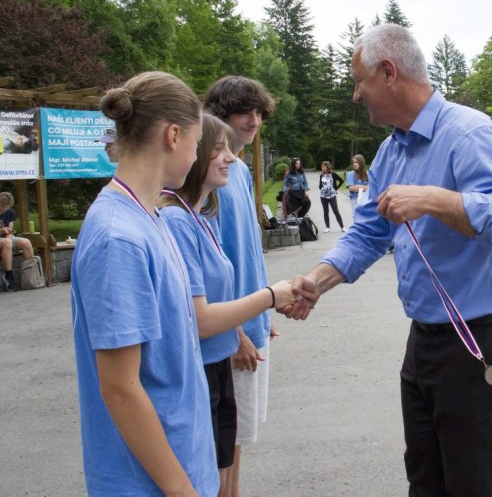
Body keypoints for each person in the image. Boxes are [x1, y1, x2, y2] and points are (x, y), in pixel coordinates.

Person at [282, 24, 492, 496]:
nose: (355, 95)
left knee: (470, 484)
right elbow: (367, 231)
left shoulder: (469, 134)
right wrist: (315, 282)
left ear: (388, 72)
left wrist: (436, 200)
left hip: (480, 338)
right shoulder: (392, 150)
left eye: (359, 81)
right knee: (424, 479)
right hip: (425, 340)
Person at [70, 71, 219, 495]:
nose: (196, 157)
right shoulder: (118, 236)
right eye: (196, 143)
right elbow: (120, 387)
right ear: (173, 135)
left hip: (180, 463)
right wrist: (182, 489)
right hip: (147, 482)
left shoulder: (147, 216)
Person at [159, 114, 311, 495]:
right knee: (209, 467)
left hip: (216, 364)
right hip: (203, 368)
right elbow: (200, 317)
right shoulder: (178, 220)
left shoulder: (200, 217)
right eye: (217, 150)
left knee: (225, 456)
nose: (230, 158)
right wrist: (270, 298)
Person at [203, 75, 277, 496]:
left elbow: (248, 248)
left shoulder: (241, 168)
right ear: (219, 115)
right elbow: (207, 265)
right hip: (228, 331)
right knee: (220, 444)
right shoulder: (211, 173)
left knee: (239, 435)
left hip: (251, 322)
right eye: (244, 112)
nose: (253, 120)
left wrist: (262, 312)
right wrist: (233, 333)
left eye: (259, 113)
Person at [0, 191, 34, 292]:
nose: (5, 210)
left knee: (26, 242)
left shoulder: (10, 212)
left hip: (6, 239)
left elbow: (10, 231)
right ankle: (8, 275)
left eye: (7, 207)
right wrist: (0, 231)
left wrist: (8, 237)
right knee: (7, 243)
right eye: (3, 207)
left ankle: (31, 273)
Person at [319, 160, 345, 232]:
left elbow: (341, 181)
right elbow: (320, 185)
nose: (322, 168)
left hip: (332, 195)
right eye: (322, 167)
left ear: (327, 167)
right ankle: (327, 227)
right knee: (325, 211)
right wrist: (322, 189)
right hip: (323, 196)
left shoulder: (333, 174)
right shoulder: (321, 175)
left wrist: (335, 188)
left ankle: (342, 227)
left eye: (323, 167)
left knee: (336, 211)